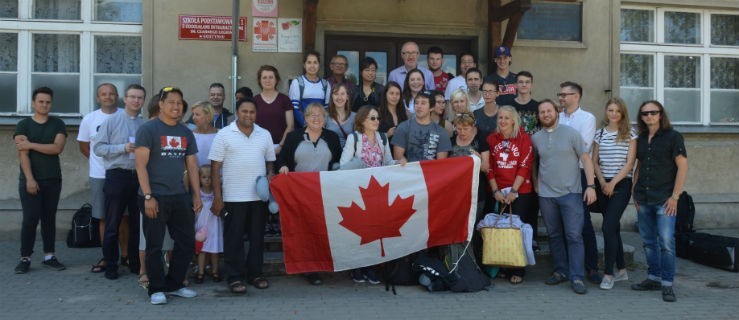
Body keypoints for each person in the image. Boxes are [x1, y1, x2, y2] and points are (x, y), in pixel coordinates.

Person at [135, 86, 202, 305]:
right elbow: (140, 165)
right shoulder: (148, 129)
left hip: (180, 195)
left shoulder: (185, 132)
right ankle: (156, 288)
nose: (175, 106)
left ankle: (174, 284)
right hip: (154, 196)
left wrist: (196, 195)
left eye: (179, 103)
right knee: (154, 244)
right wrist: (147, 196)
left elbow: (192, 165)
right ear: (161, 105)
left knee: (186, 242)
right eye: (171, 102)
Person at [209, 98, 276, 294]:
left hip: (258, 198)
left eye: (252, 112)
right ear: (237, 112)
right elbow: (215, 169)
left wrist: (271, 174)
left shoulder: (264, 134)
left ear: (256, 114)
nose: (248, 115)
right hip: (233, 197)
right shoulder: (223, 134)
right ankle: (235, 277)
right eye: (244, 111)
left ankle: (255, 274)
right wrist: (218, 197)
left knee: (257, 239)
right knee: (234, 240)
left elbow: (270, 161)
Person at [532, 99, 596, 295]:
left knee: (574, 236)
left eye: (549, 111)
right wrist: (536, 184)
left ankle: (577, 277)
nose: (546, 114)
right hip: (546, 195)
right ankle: (560, 271)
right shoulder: (535, 138)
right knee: (554, 235)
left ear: (556, 112)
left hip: (571, 194)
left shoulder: (571, 134)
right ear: (539, 116)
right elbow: (533, 163)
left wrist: (591, 186)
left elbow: (586, 159)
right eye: (542, 112)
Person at [277, 103, 342, 285]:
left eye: (320, 115)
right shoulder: (293, 137)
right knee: (301, 230)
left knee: (319, 229)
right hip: (298, 193)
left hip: (323, 193)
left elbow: (338, 162)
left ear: (325, 119)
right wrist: (282, 166)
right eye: (312, 115)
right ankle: (305, 267)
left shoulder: (332, 137)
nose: (316, 118)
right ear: (305, 118)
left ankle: (318, 266)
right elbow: (282, 159)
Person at [630, 100, 687, 303]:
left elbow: (682, 167)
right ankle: (653, 278)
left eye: (653, 112)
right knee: (647, 242)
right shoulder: (642, 138)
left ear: (661, 114)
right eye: (645, 113)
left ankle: (667, 284)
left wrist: (675, 196)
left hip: (665, 200)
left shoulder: (673, 136)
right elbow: (639, 166)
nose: (649, 116)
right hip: (643, 198)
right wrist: (634, 192)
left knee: (666, 243)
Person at [92, 84, 147, 280]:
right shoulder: (112, 121)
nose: (136, 101)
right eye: (132, 97)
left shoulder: (144, 124)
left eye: (140, 98)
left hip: (138, 177)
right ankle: (111, 265)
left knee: (135, 222)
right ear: (125, 99)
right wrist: (122, 148)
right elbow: (98, 148)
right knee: (113, 222)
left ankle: (133, 262)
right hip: (117, 175)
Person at [14, 87, 67, 274]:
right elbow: (23, 154)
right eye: (41, 101)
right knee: (30, 219)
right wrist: (29, 179)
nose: (44, 105)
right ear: (33, 103)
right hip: (30, 180)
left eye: (48, 102)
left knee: (48, 218)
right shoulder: (23, 125)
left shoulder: (58, 124)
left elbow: (56, 148)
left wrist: (31, 144)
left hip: (52, 179)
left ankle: (49, 256)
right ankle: (25, 257)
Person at [340, 106, 394, 284]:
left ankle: (370, 268)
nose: (376, 121)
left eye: (378, 118)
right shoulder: (353, 138)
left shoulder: (383, 138)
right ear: (363, 120)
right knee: (358, 231)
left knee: (374, 231)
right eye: (372, 118)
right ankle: (357, 268)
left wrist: (400, 163)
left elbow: (387, 162)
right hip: (357, 191)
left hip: (376, 192)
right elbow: (344, 164)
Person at [78, 83, 125, 274]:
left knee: (125, 218)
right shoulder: (90, 118)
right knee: (103, 217)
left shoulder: (125, 116)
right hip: (99, 175)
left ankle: (126, 256)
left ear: (117, 96)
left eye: (111, 94)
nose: (108, 97)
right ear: (98, 98)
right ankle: (107, 256)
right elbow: (83, 146)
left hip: (123, 174)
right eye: (104, 94)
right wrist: (99, 162)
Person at [557, 81, 601, 284]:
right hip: (559, 175)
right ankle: (566, 267)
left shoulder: (587, 118)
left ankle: (591, 267)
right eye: (560, 94)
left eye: (565, 94)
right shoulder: (557, 117)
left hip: (580, 174)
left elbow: (582, 146)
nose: (561, 98)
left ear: (577, 96)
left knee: (583, 222)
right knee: (563, 222)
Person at [486, 106, 535, 285]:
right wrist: (495, 191)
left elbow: (524, 166)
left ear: (513, 120)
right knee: (500, 230)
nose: (503, 121)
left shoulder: (524, 138)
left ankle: (518, 269)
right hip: (498, 191)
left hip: (519, 192)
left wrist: (514, 191)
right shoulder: (492, 139)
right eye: (500, 118)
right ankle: (502, 265)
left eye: (507, 118)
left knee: (515, 231)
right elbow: (489, 168)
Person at [592, 97, 637, 290]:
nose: (613, 114)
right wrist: (602, 181)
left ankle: (608, 274)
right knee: (614, 229)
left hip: (621, 185)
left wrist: (613, 183)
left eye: (617, 111)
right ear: (606, 112)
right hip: (602, 184)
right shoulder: (599, 134)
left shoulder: (630, 134)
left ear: (622, 113)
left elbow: (629, 164)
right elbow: (594, 161)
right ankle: (622, 271)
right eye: (610, 110)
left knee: (608, 227)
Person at [392, 91, 452, 163]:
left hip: (431, 172)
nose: (419, 106)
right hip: (408, 172)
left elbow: (441, 163)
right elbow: (398, 158)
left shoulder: (441, 132)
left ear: (431, 108)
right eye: (416, 103)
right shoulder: (403, 127)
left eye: (423, 103)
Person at [254, 65, 294, 156]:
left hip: (281, 148)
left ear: (276, 80)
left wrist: (280, 146)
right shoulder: (254, 101)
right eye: (264, 77)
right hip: (259, 149)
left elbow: (290, 126)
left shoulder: (284, 99)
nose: (268, 80)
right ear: (260, 80)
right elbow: (251, 126)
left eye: (271, 77)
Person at [192, 165, 222, 284]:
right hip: (201, 225)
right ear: (199, 178)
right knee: (202, 250)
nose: (207, 180)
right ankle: (200, 272)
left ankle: (215, 271)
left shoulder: (216, 193)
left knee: (214, 250)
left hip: (214, 225)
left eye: (210, 177)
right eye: (204, 177)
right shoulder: (197, 193)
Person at [289, 50, 331, 128]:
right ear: (304, 65)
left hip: (320, 128)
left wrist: (321, 126)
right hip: (302, 128)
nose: (312, 66)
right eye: (309, 62)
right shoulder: (297, 82)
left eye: (315, 62)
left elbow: (327, 109)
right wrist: (307, 125)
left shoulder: (325, 84)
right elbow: (294, 108)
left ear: (319, 65)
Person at [190, 101, 218, 167]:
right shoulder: (190, 135)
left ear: (208, 116)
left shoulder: (220, 135)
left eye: (197, 114)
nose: (193, 118)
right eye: (193, 114)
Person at [511, 71, 539, 135]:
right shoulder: (508, 106)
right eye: (521, 82)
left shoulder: (538, 106)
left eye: (527, 82)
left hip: (532, 143)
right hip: (513, 143)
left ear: (531, 85)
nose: (524, 85)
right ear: (515, 85)